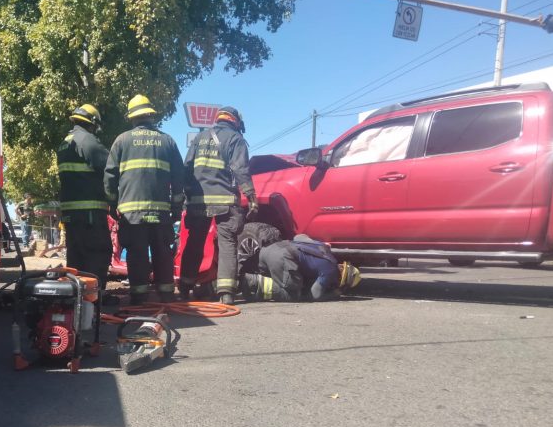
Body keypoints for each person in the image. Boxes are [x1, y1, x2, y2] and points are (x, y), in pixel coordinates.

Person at [104, 94, 185, 305]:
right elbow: (179, 177)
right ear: (151, 115)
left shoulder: (121, 141)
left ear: (132, 118)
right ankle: (166, 295)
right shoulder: (168, 141)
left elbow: (110, 177)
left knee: (137, 253)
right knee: (162, 252)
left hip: (132, 214)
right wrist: (176, 208)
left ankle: (138, 296)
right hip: (161, 213)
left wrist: (112, 204)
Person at [179, 106, 258, 305]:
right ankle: (226, 294)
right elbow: (241, 170)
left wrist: (186, 195)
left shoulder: (199, 138)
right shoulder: (235, 139)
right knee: (227, 243)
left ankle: (185, 287)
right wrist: (251, 195)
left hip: (198, 201)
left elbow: (187, 168)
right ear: (236, 121)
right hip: (225, 201)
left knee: (195, 242)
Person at [56, 103, 118, 304]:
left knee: (77, 256)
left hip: (71, 213)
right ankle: (93, 297)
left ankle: (77, 297)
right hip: (89, 212)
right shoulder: (88, 141)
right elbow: (110, 168)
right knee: (98, 252)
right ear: (93, 123)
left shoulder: (65, 142)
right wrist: (115, 199)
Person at [239, 234, 362, 302]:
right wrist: (333, 294)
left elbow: (299, 236)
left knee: (288, 274)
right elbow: (315, 294)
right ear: (343, 281)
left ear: (344, 265)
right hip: (282, 259)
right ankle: (251, 282)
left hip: (270, 248)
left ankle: (241, 277)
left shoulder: (324, 248)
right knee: (295, 291)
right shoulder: (330, 272)